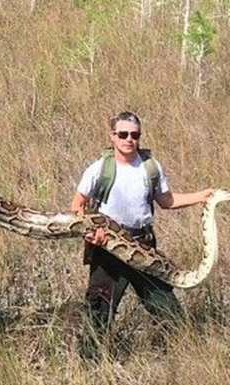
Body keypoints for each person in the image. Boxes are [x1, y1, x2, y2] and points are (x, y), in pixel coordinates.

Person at [70, 111, 214, 357]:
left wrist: (203, 196)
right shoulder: (99, 169)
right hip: (108, 249)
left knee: (167, 308)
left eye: (134, 135)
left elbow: (166, 201)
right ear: (112, 137)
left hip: (143, 247)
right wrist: (91, 234)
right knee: (99, 311)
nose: (129, 139)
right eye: (123, 134)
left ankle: (185, 356)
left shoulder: (150, 167)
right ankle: (90, 367)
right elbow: (77, 206)